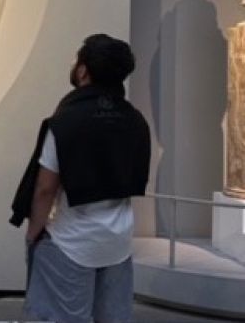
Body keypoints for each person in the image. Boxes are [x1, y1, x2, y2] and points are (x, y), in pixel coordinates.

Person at [10, 34, 151, 323]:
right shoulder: (135, 120)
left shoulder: (65, 121)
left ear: (83, 70)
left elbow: (45, 189)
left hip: (70, 241)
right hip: (119, 242)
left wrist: (33, 233)